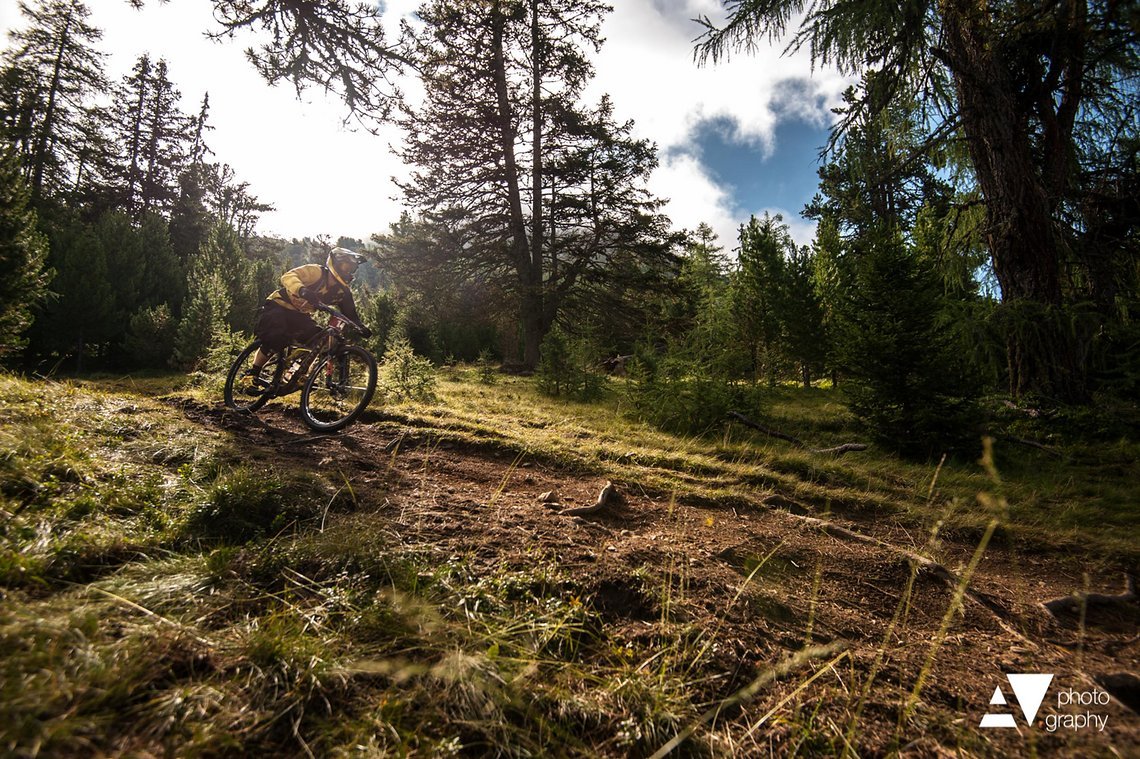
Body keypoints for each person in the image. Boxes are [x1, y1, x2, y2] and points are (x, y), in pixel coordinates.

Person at [245, 247, 370, 383]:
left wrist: (360, 327)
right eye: (346, 267)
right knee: (275, 337)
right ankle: (253, 373)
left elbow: (350, 313)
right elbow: (288, 276)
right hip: (279, 305)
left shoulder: (342, 292)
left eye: (351, 269)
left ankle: (293, 375)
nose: (348, 271)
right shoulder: (316, 272)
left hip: (300, 315)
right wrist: (302, 290)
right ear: (336, 264)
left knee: (320, 342)